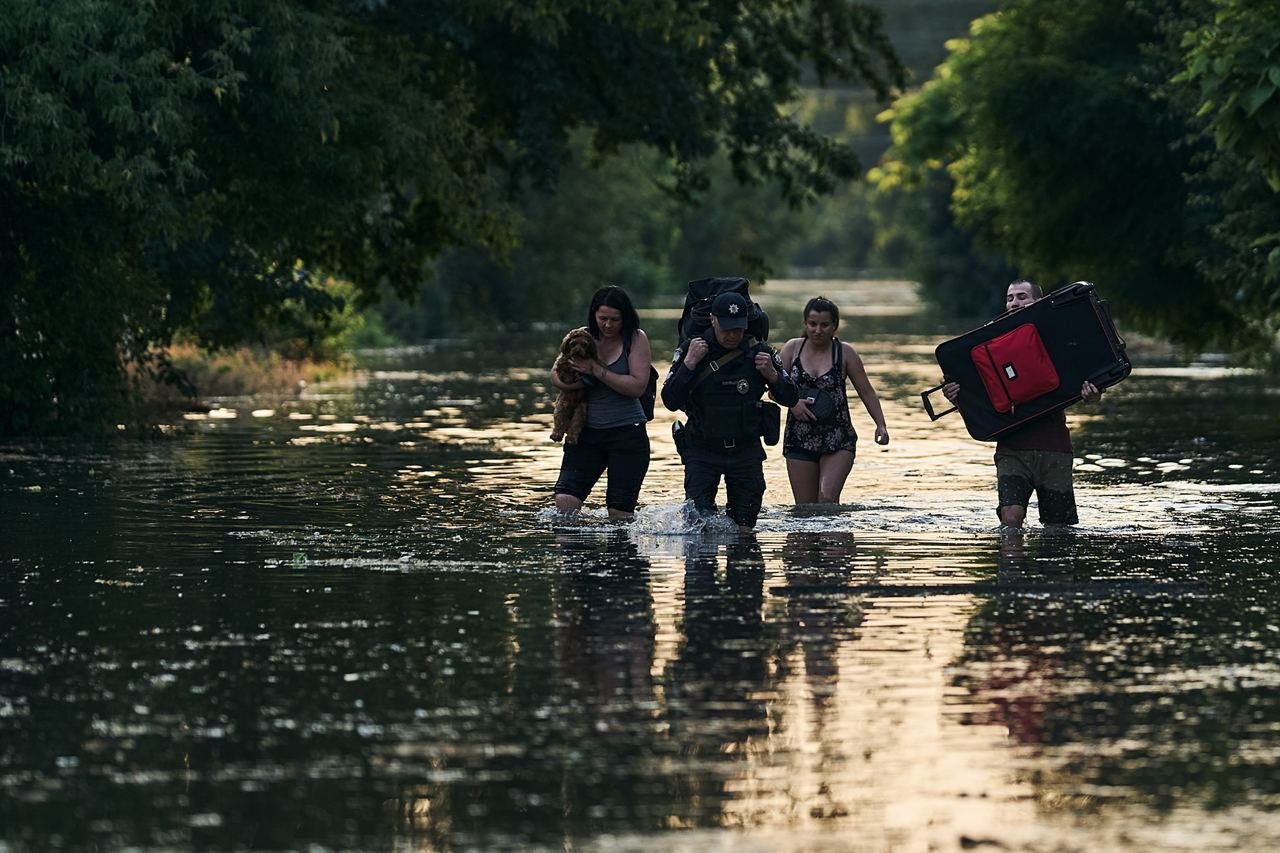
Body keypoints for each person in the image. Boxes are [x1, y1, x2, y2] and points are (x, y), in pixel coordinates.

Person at [942, 279, 1102, 529]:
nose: (1015, 303)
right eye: (1010, 298)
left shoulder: (1059, 335)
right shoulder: (990, 341)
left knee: (1057, 528)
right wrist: (957, 396)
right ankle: (1013, 565)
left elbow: (1084, 382)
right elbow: (980, 403)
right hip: (1011, 449)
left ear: (1038, 301)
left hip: (1055, 448)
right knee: (1011, 519)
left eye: (1022, 296)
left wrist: (1092, 395)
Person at [661, 291, 799, 532]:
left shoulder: (760, 352)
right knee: (698, 528)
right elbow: (670, 400)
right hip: (701, 450)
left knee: (745, 530)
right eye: (727, 328)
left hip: (745, 451)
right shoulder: (692, 350)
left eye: (738, 328)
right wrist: (689, 364)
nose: (733, 334)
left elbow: (791, 397)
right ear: (713, 320)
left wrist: (773, 376)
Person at [550, 285, 653, 520]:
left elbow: (637, 386)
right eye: (602, 318)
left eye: (614, 319)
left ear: (624, 317)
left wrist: (596, 370)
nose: (607, 325)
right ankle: (575, 555)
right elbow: (555, 373)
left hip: (627, 434)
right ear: (593, 315)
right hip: (585, 433)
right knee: (565, 502)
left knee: (618, 513)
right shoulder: (581, 337)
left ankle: (621, 555)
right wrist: (577, 384)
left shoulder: (636, 339)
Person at [777, 296, 890, 504]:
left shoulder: (845, 353)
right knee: (805, 510)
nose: (818, 330)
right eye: (812, 324)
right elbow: (774, 389)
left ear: (834, 326)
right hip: (799, 438)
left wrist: (880, 425)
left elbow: (866, 391)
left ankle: (834, 537)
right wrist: (792, 404)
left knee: (827, 499)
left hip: (838, 438)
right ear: (805, 324)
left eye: (824, 325)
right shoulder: (792, 349)